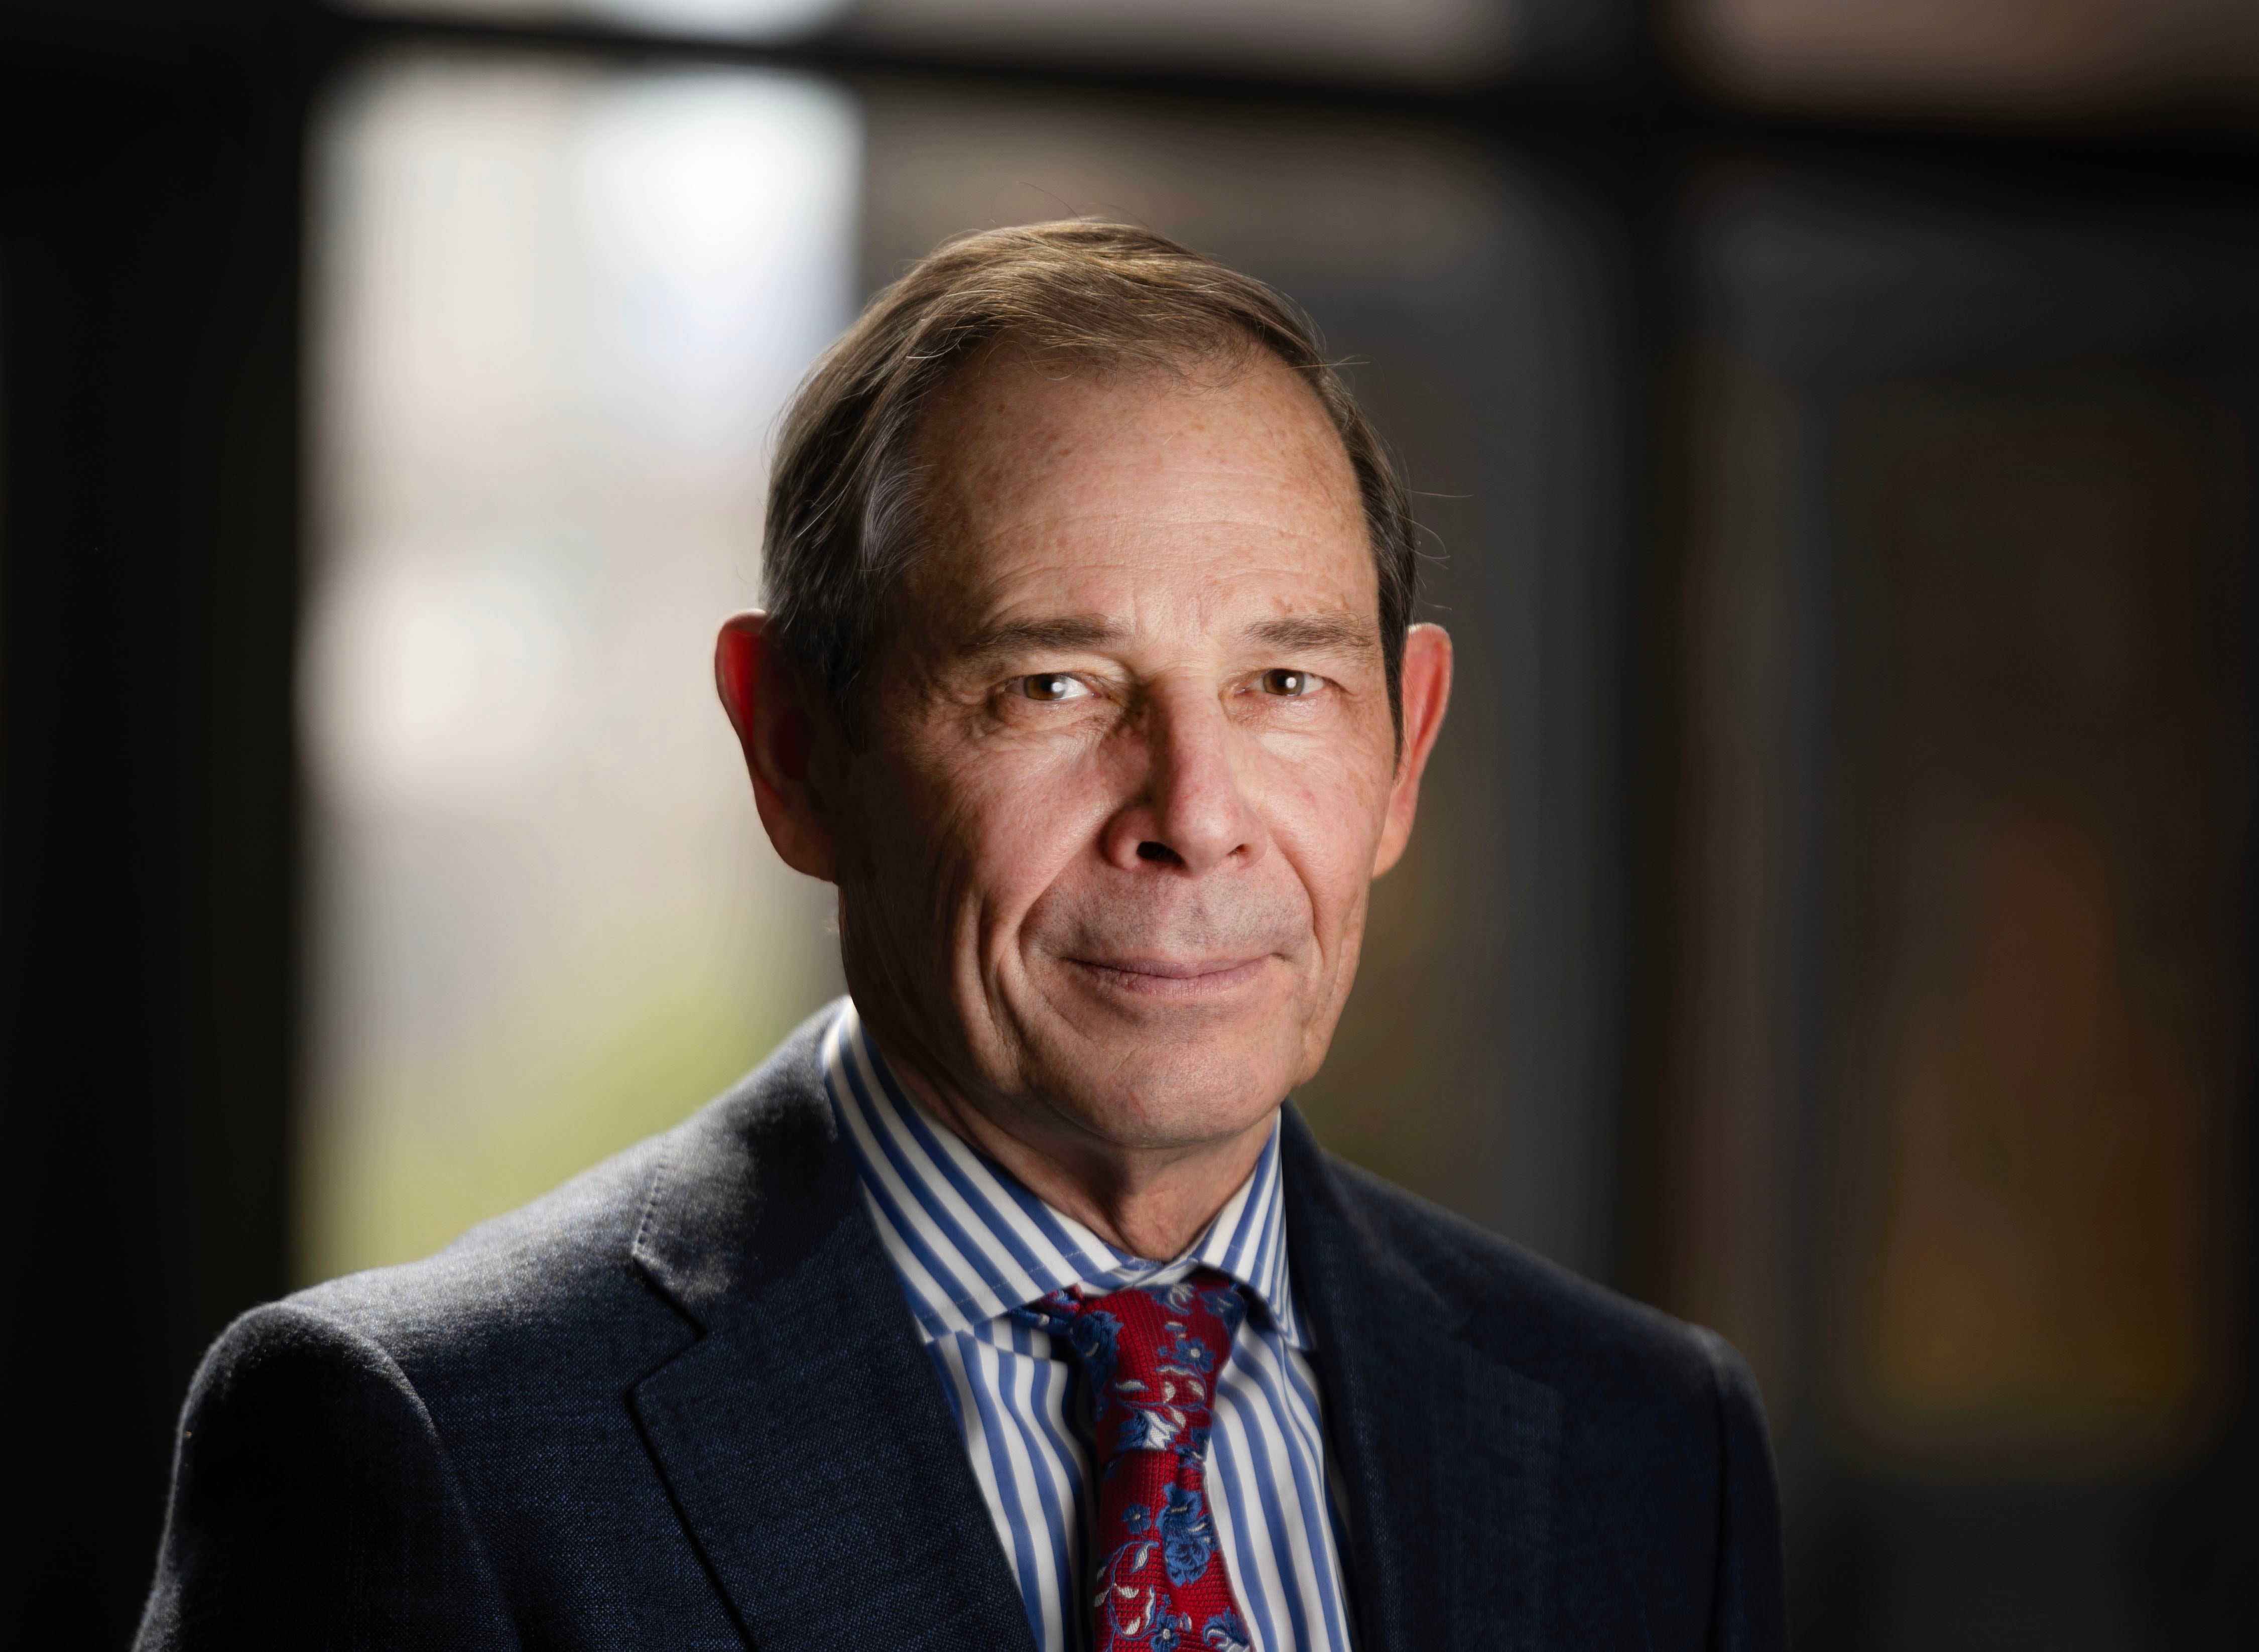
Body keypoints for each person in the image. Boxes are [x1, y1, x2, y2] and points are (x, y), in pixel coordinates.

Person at [137, 222, 1784, 1652]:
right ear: (795, 751)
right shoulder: (427, 1441)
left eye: (1286, 685)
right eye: (1049, 686)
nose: (1193, 811)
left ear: (1405, 750)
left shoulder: (1644, 1446)